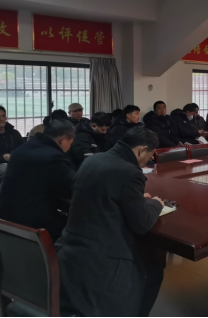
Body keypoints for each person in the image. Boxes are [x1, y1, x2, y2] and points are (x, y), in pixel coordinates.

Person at [57, 127, 165, 317]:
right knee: (153, 270)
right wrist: (155, 204)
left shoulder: (93, 160)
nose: (149, 160)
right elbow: (142, 223)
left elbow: (104, 194)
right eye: (150, 156)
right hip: (103, 255)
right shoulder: (129, 172)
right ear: (141, 150)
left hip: (69, 247)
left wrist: (137, 199)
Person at [0, 119, 76, 241]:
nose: (69, 147)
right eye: (70, 142)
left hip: (4, 221)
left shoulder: (24, 148)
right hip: (30, 226)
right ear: (62, 139)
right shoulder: (53, 157)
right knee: (81, 229)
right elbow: (72, 188)